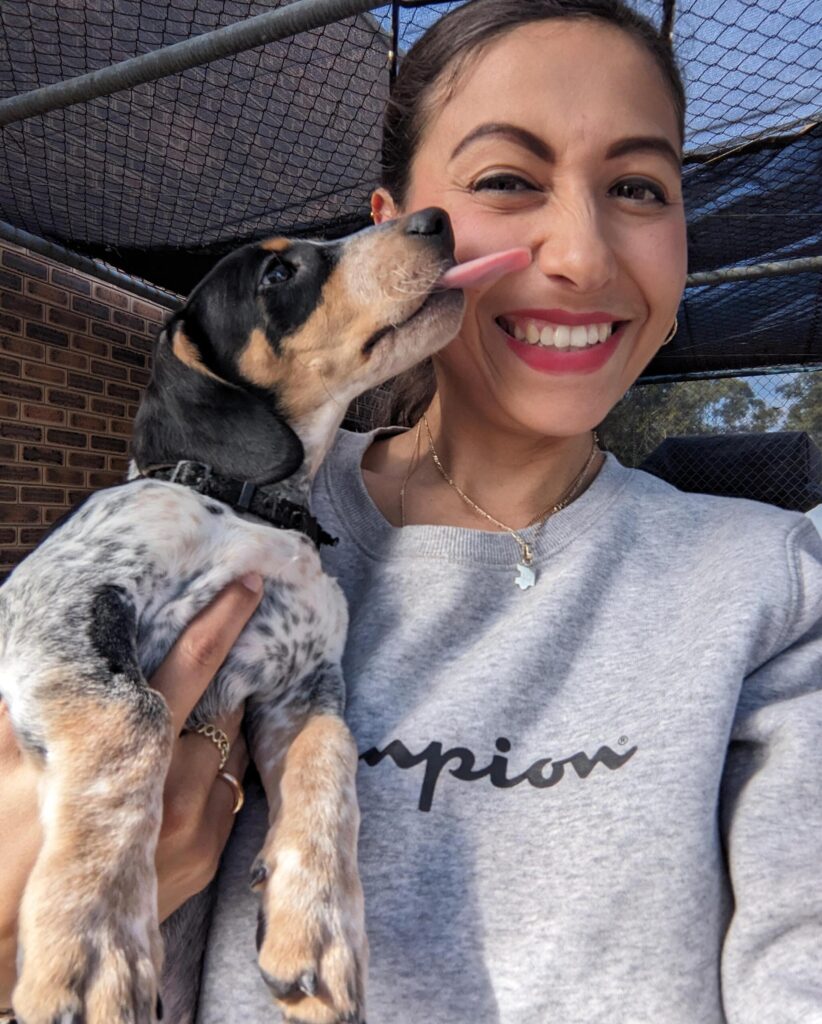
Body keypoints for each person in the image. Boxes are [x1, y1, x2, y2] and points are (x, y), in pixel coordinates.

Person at [2, 1, 821, 1022]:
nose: (582, 256)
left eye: (638, 187)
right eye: (507, 179)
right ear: (390, 224)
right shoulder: (219, 537)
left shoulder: (774, 585)